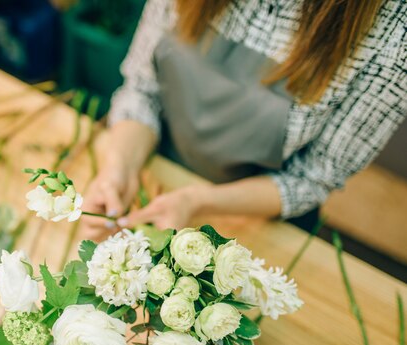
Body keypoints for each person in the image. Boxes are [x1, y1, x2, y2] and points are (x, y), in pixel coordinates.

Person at [80, 0, 406, 240]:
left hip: (259, 220)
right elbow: (142, 90)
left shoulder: (394, 31)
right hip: (157, 174)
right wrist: (119, 167)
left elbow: (313, 177)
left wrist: (195, 201)